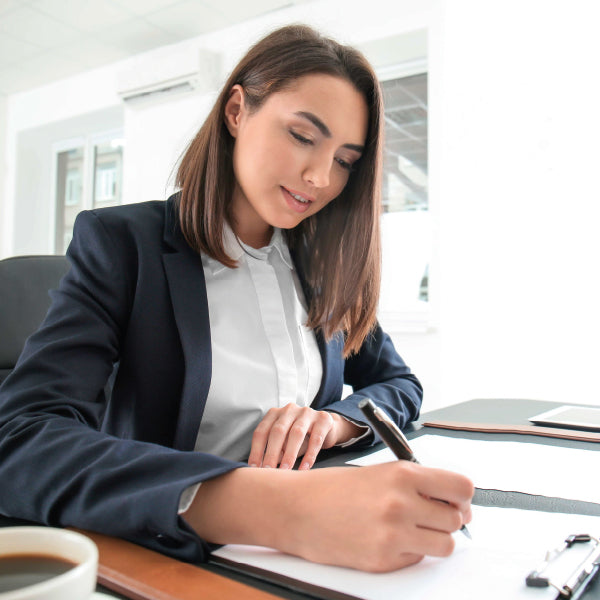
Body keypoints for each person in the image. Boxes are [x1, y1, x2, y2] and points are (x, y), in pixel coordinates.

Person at [0, 24, 473, 573]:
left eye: (345, 160)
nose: (320, 177)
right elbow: (19, 442)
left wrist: (336, 422)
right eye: (301, 135)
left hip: (315, 545)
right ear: (236, 112)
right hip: (180, 548)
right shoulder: (123, 246)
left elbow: (399, 384)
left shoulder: (319, 267)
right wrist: (276, 510)